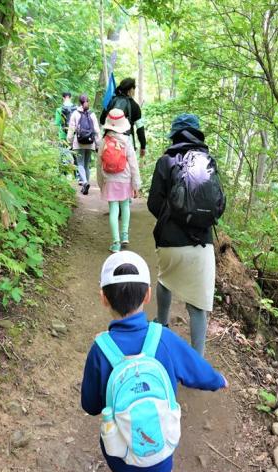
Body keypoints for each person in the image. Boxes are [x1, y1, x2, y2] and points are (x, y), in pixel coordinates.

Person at [81, 251, 227, 472]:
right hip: (158, 454)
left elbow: (90, 405)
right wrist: (218, 379)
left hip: (118, 452)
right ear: (148, 295)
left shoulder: (101, 349)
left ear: (103, 298)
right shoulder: (163, 339)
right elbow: (197, 370)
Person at [147, 114, 225, 356]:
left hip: (170, 242)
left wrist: (171, 217)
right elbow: (219, 204)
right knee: (197, 307)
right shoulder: (208, 161)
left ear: (175, 135)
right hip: (202, 243)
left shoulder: (166, 161)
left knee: (164, 279)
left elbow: (152, 203)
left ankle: (162, 324)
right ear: (197, 134)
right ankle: (197, 360)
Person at [97, 109, 140, 253]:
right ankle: (125, 235)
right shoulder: (127, 140)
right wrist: (136, 184)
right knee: (125, 206)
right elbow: (133, 163)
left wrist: (100, 182)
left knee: (113, 210)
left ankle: (116, 243)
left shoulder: (104, 141)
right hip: (125, 178)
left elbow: (98, 164)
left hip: (109, 179)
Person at [100, 77, 147, 158]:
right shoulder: (135, 106)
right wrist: (143, 146)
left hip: (109, 141)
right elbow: (140, 129)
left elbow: (102, 120)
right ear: (131, 89)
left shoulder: (111, 101)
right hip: (126, 142)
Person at [67, 94, 101, 195]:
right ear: (88, 101)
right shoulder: (92, 114)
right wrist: (98, 144)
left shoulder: (75, 114)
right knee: (86, 164)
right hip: (90, 143)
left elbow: (71, 130)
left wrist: (69, 142)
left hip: (79, 143)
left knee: (80, 164)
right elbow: (97, 130)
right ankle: (86, 183)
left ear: (79, 102)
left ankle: (85, 182)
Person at [54, 91, 79, 182]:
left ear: (63, 98)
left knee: (62, 154)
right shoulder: (76, 109)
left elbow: (57, 123)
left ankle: (62, 175)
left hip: (63, 135)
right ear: (70, 97)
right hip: (73, 136)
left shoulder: (59, 109)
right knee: (75, 155)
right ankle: (77, 176)